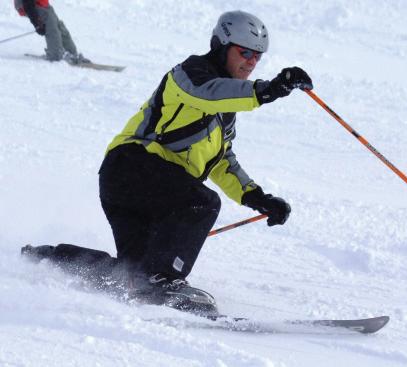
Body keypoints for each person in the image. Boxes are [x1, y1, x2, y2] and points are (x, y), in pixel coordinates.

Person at [22, 10, 312, 311]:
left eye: (258, 57)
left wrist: (258, 198)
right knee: (202, 202)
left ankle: (44, 260)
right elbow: (208, 93)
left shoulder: (227, 107)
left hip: (148, 191)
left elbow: (222, 160)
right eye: (245, 52)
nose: (251, 62)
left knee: (132, 275)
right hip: (131, 168)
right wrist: (268, 89)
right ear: (222, 46)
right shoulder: (190, 74)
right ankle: (165, 283)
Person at [14, 0, 89, 64]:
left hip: (42, 4)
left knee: (59, 26)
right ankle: (55, 55)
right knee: (51, 27)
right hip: (29, 5)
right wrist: (36, 22)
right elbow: (27, 3)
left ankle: (72, 53)